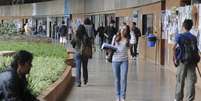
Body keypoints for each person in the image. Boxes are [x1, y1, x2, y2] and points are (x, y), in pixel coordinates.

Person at [173, 19, 199, 101]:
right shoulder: (194, 37)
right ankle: (190, 99)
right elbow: (196, 50)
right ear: (191, 27)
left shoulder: (179, 36)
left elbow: (173, 48)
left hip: (182, 61)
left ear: (183, 26)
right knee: (191, 82)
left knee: (180, 80)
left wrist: (175, 59)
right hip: (192, 62)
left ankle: (178, 98)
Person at [112, 25, 130, 101]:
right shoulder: (115, 37)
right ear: (120, 29)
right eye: (122, 28)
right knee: (117, 79)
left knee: (123, 79)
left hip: (124, 61)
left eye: (125, 29)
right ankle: (117, 95)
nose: (123, 30)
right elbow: (111, 47)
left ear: (126, 31)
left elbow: (130, 47)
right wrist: (108, 49)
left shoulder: (128, 39)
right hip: (115, 60)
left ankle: (123, 96)